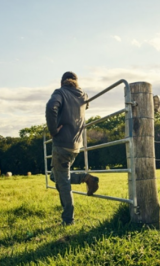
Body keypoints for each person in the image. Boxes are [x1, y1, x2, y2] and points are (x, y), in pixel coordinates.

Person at [46, 71, 99, 226]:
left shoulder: (60, 92)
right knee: (55, 176)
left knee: (63, 182)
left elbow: (51, 107)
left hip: (62, 144)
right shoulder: (83, 95)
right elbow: (86, 105)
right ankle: (85, 178)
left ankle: (68, 220)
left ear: (62, 82)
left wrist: (53, 131)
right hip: (76, 145)